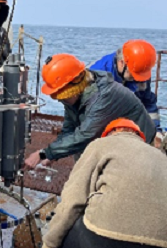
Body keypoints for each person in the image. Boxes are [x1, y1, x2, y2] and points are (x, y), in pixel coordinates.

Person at [39, 118, 167, 248]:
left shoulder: (101, 145)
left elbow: (73, 201)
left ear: (110, 133)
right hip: (163, 247)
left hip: (111, 238)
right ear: (139, 136)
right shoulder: (159, 155)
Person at [24, 54, 155, 170]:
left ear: (73, 88)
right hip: (113, 136)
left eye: (62, 97)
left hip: (139, 142)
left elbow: (85, 135)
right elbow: (69, 129)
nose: (61, 100)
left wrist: (43, 153)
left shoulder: (104, 96)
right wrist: (53, 156)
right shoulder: (74, 94)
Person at [90, 40, 159, 132]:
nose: (136, 79)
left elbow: (148, 103)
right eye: (133, 74)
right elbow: (92, 115)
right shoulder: (97, 76)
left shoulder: (141, 70)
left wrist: (155, 131)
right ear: (121, 63)